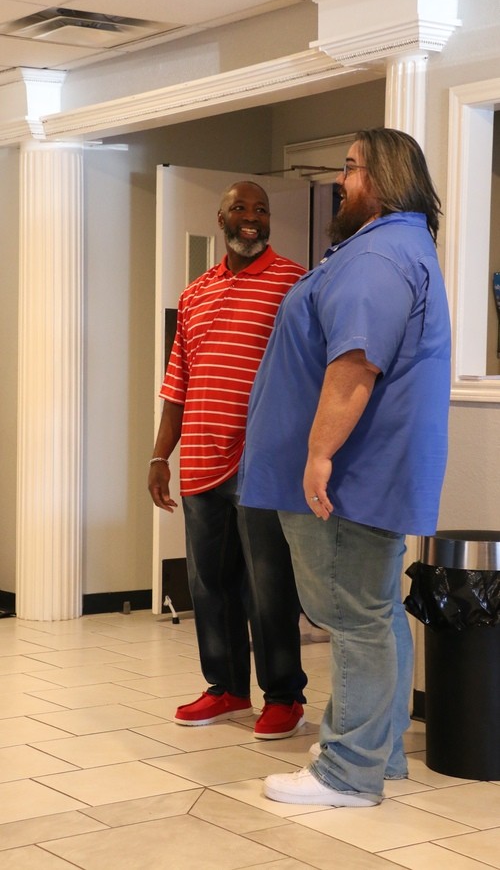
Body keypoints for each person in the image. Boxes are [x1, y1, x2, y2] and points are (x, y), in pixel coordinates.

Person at [239, 129, 451, 805]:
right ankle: (375, 750)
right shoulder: (392, 247)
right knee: (375, 612)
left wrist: (319, 453)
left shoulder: (379, 255)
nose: (340, 179)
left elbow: (357, 362)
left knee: (353, 616)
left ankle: (347, 772)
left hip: (349, 478)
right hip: (367, 474)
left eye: (351, 168)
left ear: (384, 179)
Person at [148, 180, 308, 739]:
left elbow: (308, 373)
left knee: (268, 585)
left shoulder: (293, 283)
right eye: (240, 208)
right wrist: (159, 455)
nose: (251, 217)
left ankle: (284, 697)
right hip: (199, 460)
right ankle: (226, 688)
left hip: (261, 462)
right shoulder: (195, 294)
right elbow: (178, 383)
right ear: (221, 218)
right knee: (209, 585)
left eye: (261, 209)